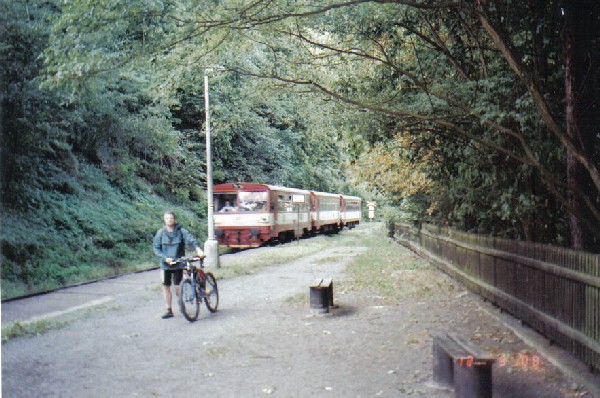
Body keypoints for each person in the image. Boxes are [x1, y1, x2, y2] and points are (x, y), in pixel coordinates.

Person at [153, 210, 204, 319]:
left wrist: (198, 249)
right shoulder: (160, 233)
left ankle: (182, 304)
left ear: (174, 219)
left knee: (178, 287)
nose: (169, 220)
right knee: (166, 286)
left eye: (171, 218)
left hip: (178, 263)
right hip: (165, 264)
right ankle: (169, 309)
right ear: (164, 220)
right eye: (167, 218)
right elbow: (156, 248)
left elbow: (190, 238)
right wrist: (165, 258)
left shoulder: (181, 231)